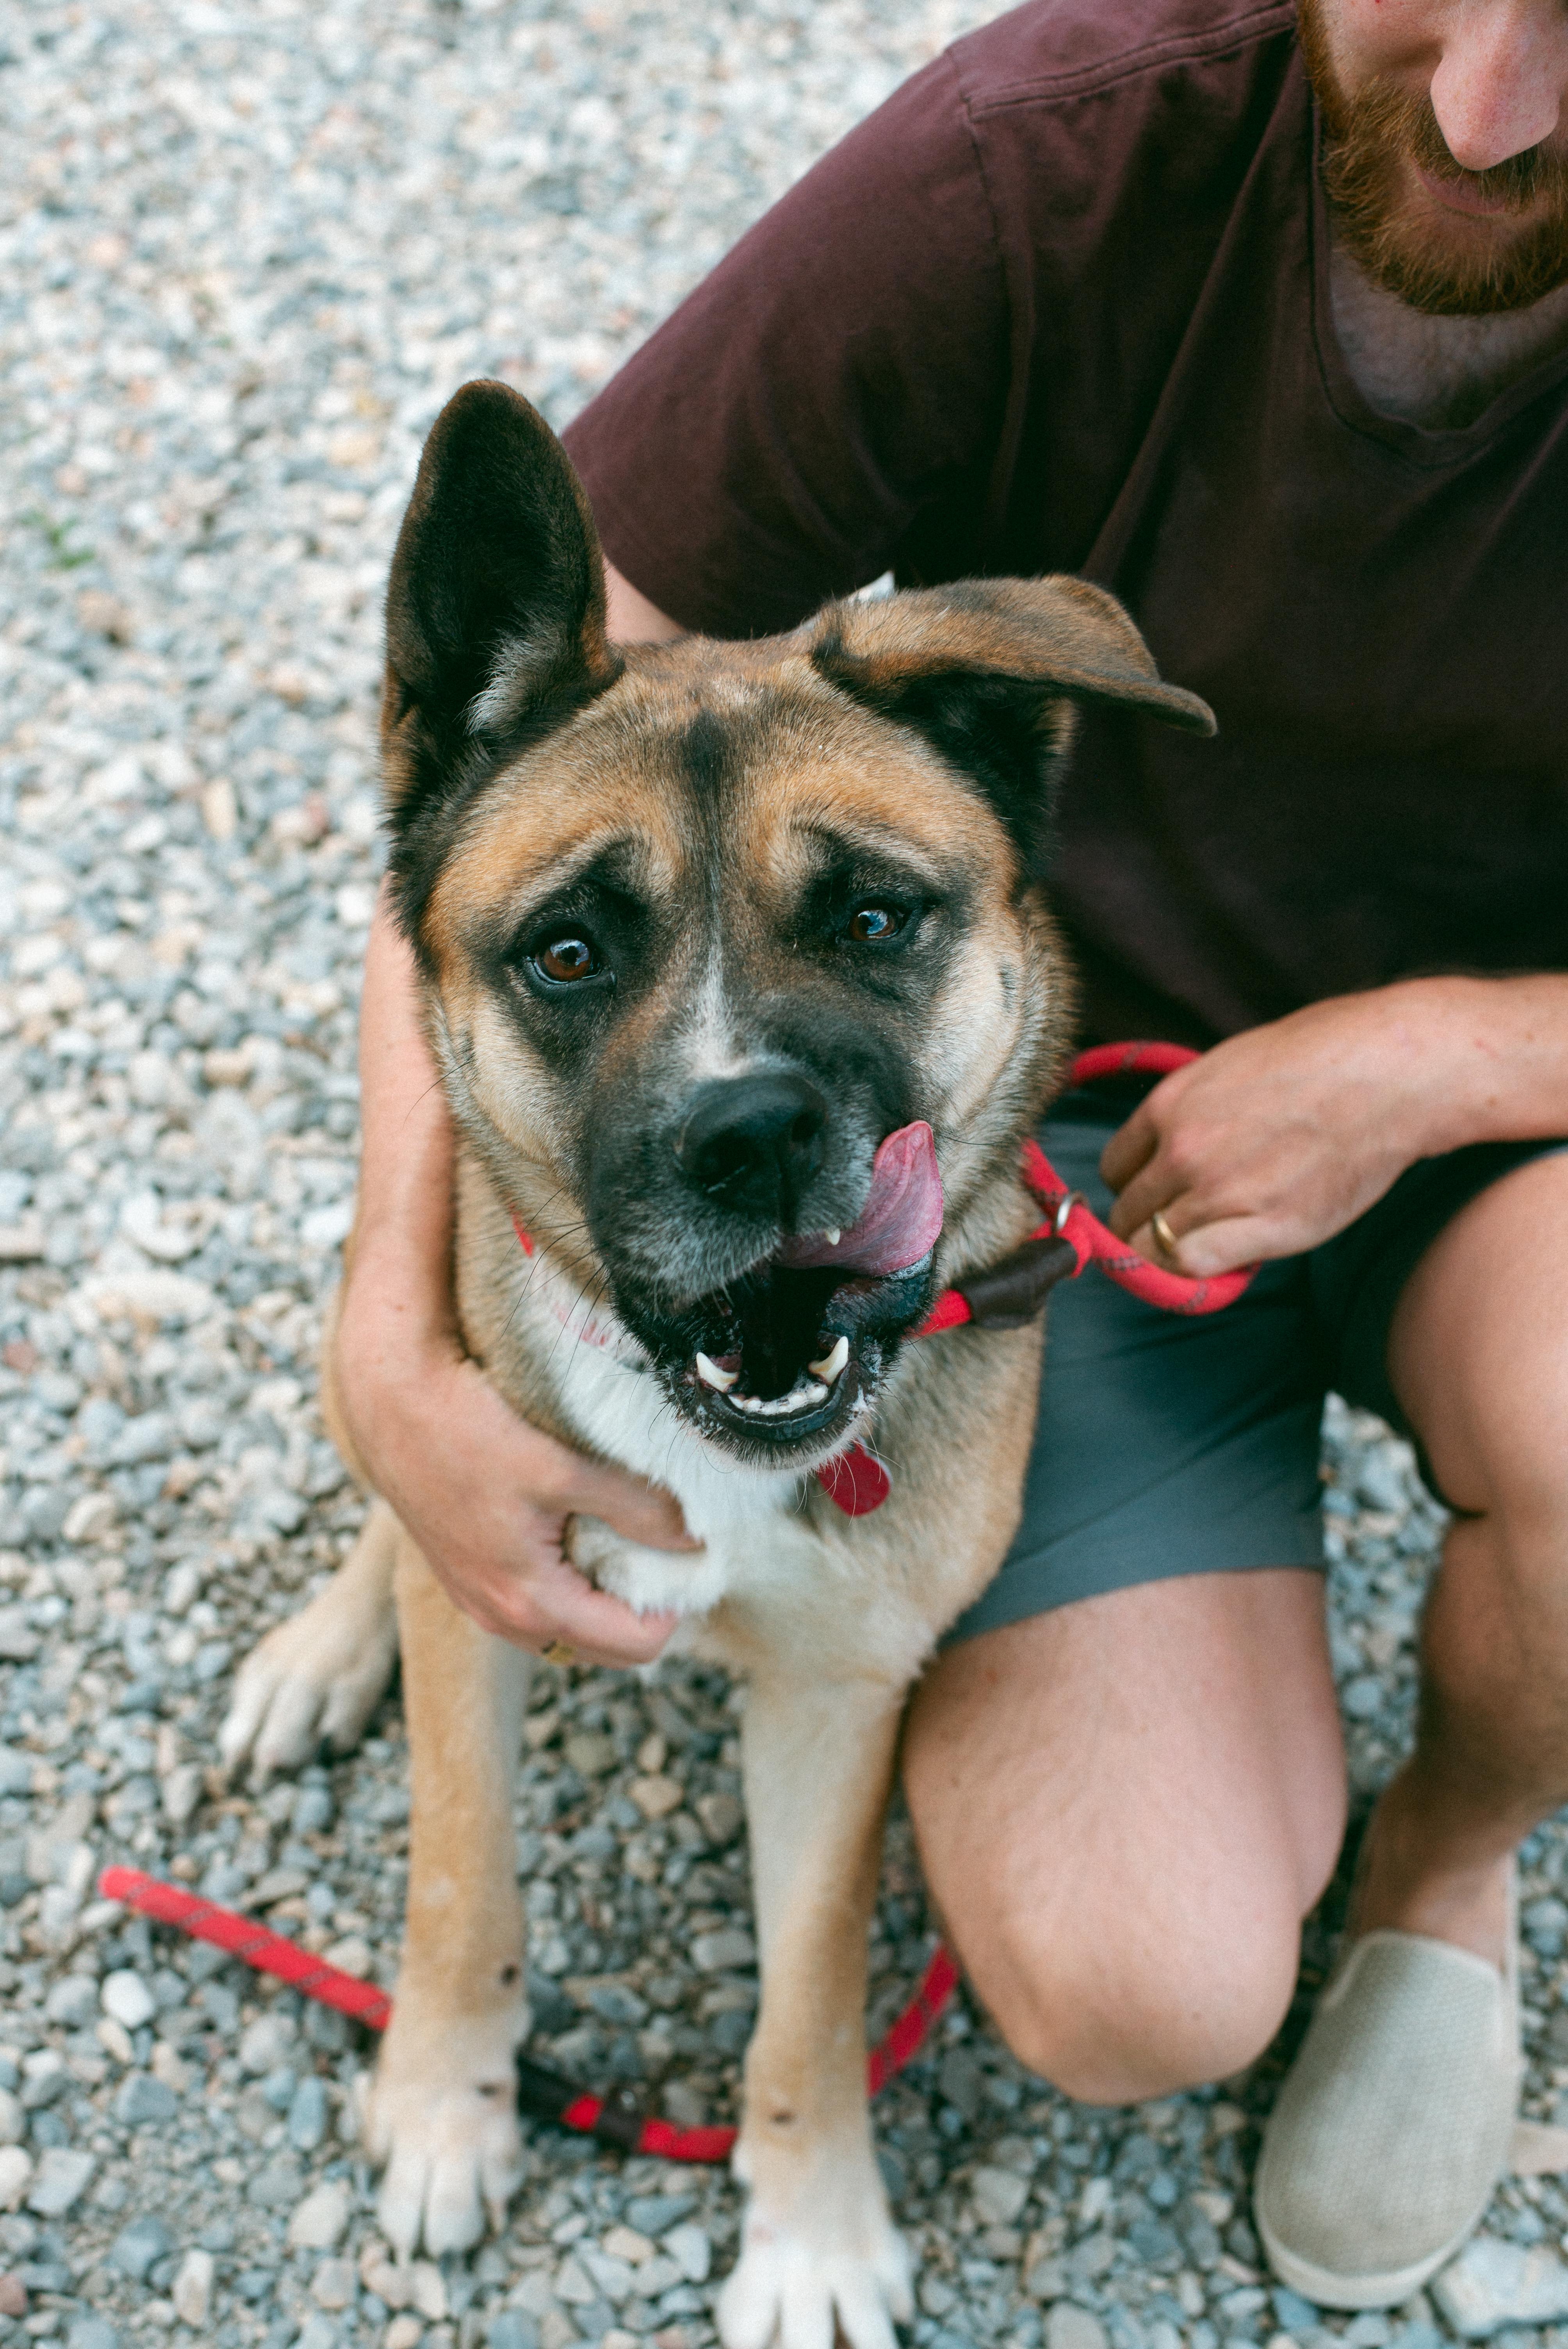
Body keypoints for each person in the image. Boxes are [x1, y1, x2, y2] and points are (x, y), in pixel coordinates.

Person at [341, 0, 1568, 2308]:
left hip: (1517, 1154)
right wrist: (390, 1343)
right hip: (1049, 1198)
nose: (1495, 107)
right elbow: (506, 794)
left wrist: (1433, 1058)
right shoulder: (1051, 159)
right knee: (1143, 1982)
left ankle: (1447, 1870)